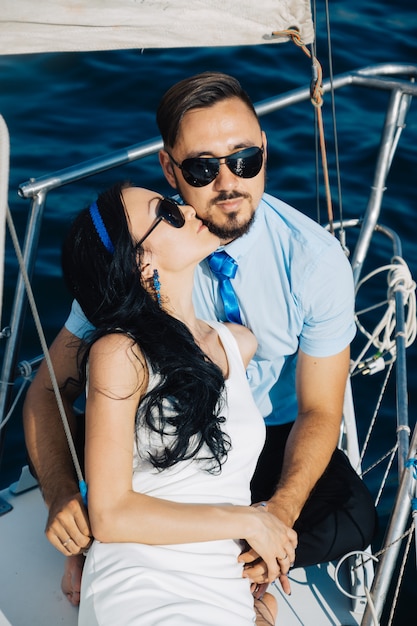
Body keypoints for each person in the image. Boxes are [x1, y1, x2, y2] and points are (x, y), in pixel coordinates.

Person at [23, 72, 377, 607]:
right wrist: (64, 496)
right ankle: (230, 558)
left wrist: (278, 511)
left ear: (264, 151)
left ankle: (242, 558)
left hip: (262, 436)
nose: (228, 182)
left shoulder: (314, 262)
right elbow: (50, 389)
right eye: (202, 168)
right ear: (170, 168)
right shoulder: (142, 246)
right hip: (158, 434)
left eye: (244, 160)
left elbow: (320, 410)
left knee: (353, 515)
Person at [60, 182, 291, 625]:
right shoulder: (121, 355)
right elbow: (110, 515)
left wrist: (256, 522)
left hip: (223, 585)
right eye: (166, 210)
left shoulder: (236, 344)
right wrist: (250, 522)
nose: (187, 206)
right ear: (140, 264)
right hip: (143, 583)